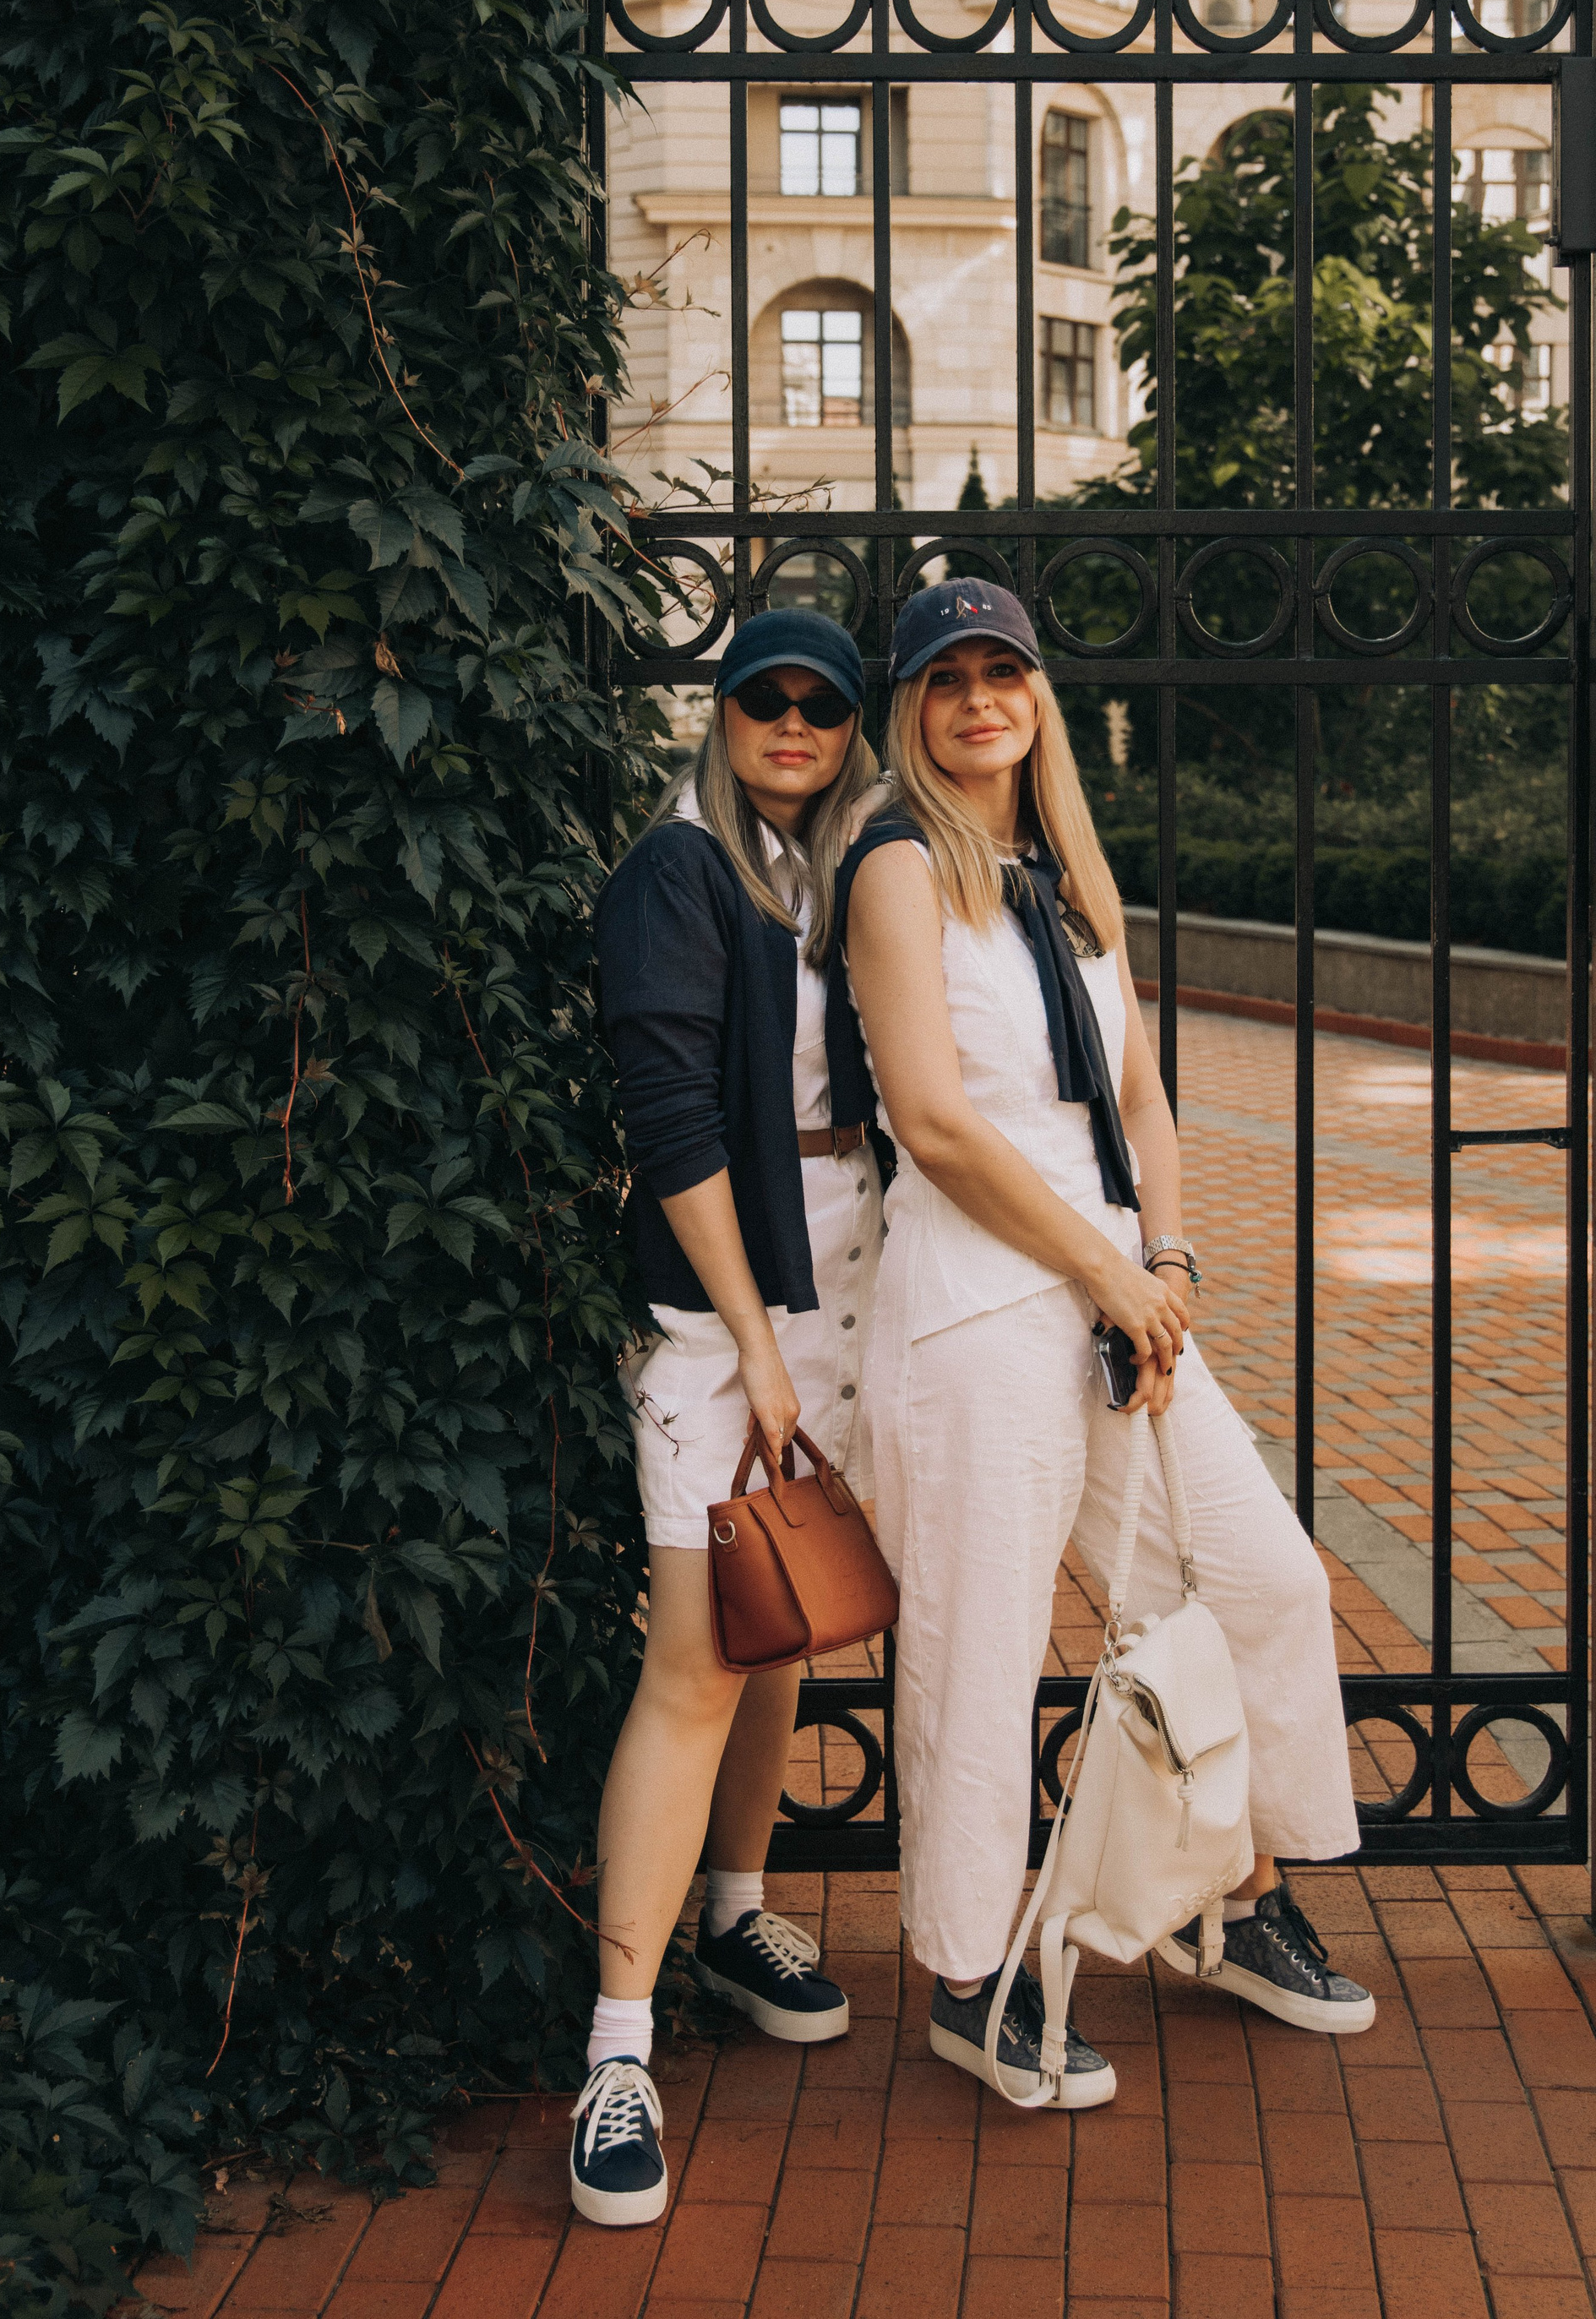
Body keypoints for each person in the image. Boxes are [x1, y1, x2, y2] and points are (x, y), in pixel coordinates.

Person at [832, 577, 1371, 2109]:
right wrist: (1106, 1272)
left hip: (1119, 1296)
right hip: (980, 1314)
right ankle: (968, 1980)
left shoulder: (1066, 878)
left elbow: (1137, 1100)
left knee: (1262, 1582)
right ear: (913, 709)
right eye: (947, 679)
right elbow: (934, 1122)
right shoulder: (896, 866)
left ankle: (1238, 1899)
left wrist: (1166, 1259)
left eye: (1002, 672)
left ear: (1038, 697)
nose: (979, 701)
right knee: (982, 1653)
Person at [574, 608, 883, 2224]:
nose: (792, 723)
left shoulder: (846, 867)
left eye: (822, 705)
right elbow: (671, 1118)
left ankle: (735, 1913)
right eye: (765, 699)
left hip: (856, 1291)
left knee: (787, 1622)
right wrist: (757, 1342)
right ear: (723, 713)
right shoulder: (678, 869)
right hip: (723, 1317)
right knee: (695, 1662)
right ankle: (617, 2051)